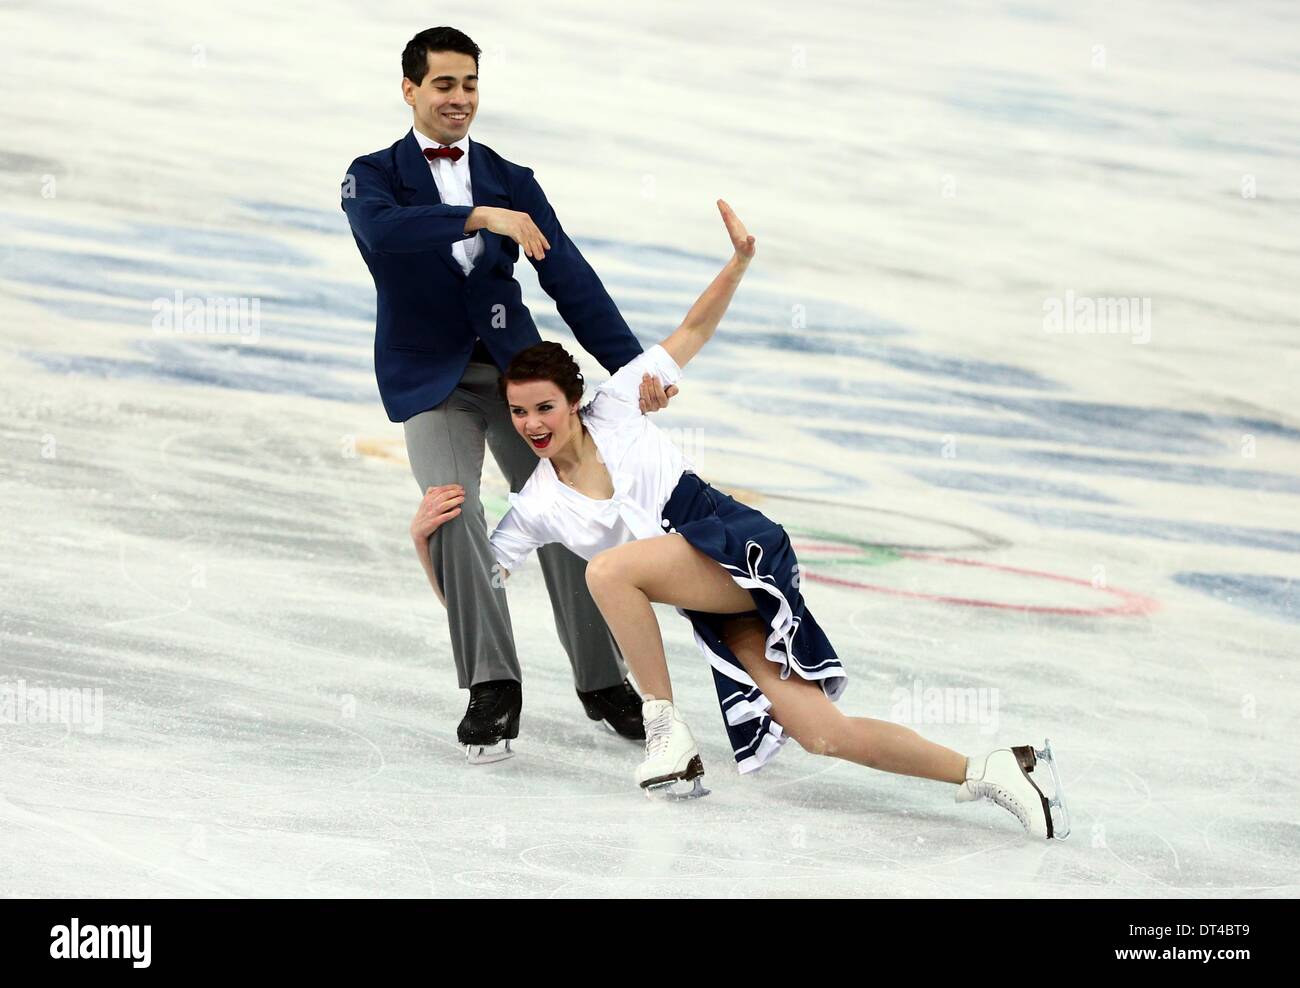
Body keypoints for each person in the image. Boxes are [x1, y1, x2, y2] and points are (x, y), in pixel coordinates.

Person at [414, 200, 1071, 839]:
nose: (530, 425)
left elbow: (693, 331)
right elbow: (477, 596)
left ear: (575, 400)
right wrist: (426, 544)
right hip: (706, 593)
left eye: (544, 409)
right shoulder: (536, 504)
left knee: (609, 571)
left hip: (732, 541)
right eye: (519, 412)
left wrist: (739, 261)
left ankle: (665, 729)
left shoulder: (617, 405)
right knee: (821, 734)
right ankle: (999, 769)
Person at [342, 26, 680, 763]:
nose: (459, 98)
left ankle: (602, 680)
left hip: (515, 375)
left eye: (469, 84)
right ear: (410, 89)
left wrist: (633, 370)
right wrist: (477, 216)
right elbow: (385, 233)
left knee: (571, 502)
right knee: (451, 508)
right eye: (443, 85)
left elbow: (571, 280)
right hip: (429, 379)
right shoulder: (372, 176)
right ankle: (492, 685)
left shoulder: (511, 175)